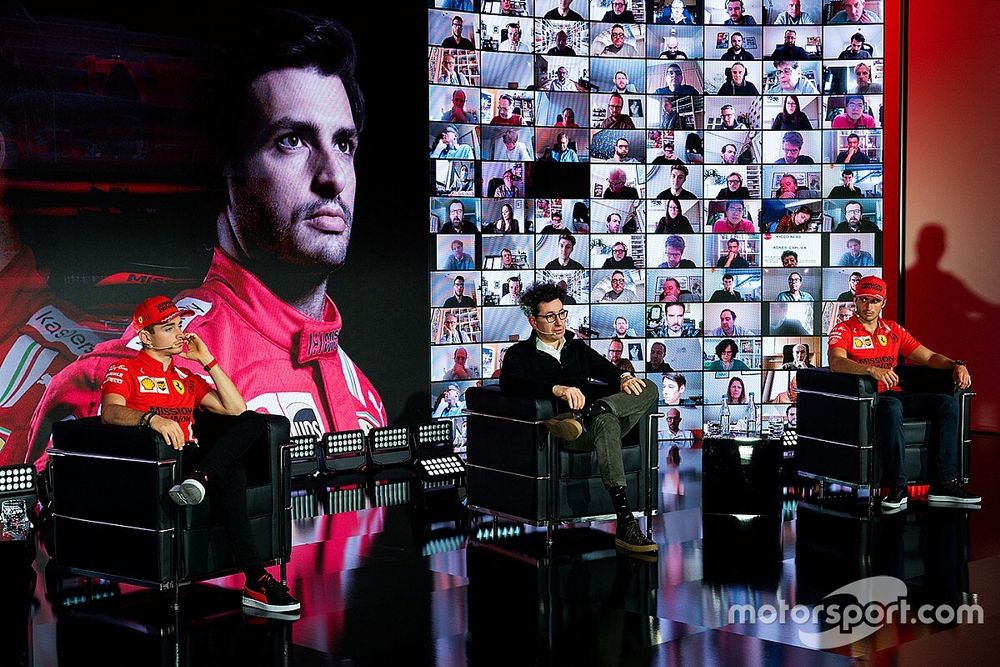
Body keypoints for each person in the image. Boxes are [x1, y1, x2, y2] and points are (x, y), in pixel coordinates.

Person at [29, 12, 389, 468]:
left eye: (343, 144)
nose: (333, 177)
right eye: (292, 140)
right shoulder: (166, 360)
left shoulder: (364, 394)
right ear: (228, 167)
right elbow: (44, 525)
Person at [100, 296, 301, 614]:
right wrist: (151, 419)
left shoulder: (185, 378)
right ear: (146, 337)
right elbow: (110, 413)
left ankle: (252, 572)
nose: (179, 333)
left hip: (192, 464)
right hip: (157, 465)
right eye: (169, 328)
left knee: (252, 424)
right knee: (232, 470)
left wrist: (207, 360)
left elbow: (235, 409)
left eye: (180, 325)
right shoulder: (123, 368)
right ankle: (255, 579)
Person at [499, 281, 658, 553]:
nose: (558, 322)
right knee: (605, 424)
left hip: (592, 417)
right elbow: (511, 384)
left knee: (648, 388)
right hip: (570, 431)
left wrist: (624, 377)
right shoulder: (520, 354)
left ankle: (599, 409)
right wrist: (557, 389)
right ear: (533, 321)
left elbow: (607, 370)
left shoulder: (577, 347)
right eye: (549, 316)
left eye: (561, 314)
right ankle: (626, 523)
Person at [828, 275, 980, 510]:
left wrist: (956, 364)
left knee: (946, 404)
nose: (868, 307)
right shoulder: (843, 329)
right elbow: (836, 362)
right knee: (892, 406)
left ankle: (943, 484)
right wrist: (870, 369)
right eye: (863, 300)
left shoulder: (893, 330)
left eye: (875, 301)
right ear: (855, 301)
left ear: (884, 303)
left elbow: (928, 357)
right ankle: (898, 487)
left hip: (894, 394)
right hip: (867, 399)